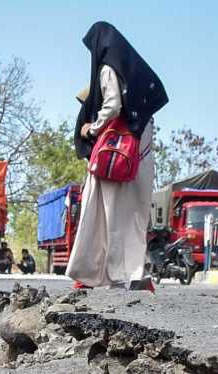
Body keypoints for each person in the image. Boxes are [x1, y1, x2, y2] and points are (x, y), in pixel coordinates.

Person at [67, 22, 167, 291]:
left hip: (112, 155)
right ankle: (134, 275)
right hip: (135, 157)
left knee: (99, 213)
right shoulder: (133, 74)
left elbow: (112, 106)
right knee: (131, 218)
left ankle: (88, 275)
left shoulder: (108, 68)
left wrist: (92, 129)